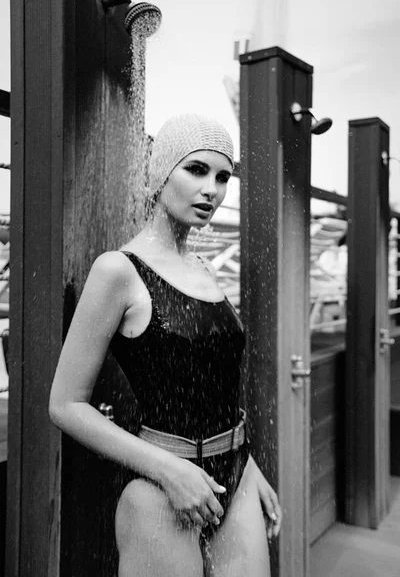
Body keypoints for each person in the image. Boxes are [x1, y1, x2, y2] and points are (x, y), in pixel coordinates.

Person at [49, 113, 282, 577]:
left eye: (223, 177)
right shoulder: (119, 270)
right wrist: (169, 471)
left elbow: (216, 386)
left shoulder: (203, 267)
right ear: (161, 173)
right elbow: (65, 404)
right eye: (196, 170)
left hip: (233, 477)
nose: (212, 189)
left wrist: (248, 464)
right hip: (161, 487)